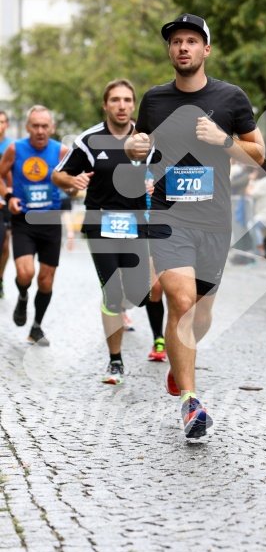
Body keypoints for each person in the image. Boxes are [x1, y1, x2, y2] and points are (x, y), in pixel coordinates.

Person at [124, 13, 265, 438]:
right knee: (180, 302)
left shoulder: (231, 98)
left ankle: (180, 362)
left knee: (200, 316)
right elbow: (139, 145)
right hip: (169, 218)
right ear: (170, 51)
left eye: (191, 41)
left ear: (206, 49)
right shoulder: (154, 99)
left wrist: (222, 140)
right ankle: (191, 402)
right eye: (176, 42)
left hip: (215, 222)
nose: (182, 47)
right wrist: (134, 148)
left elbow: (258, 153)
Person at [52, 79, 165, 384]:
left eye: (127, 100)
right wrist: (71, 182)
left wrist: (155, 184)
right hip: (100, 223)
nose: (121, 105)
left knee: (143, 293)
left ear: (133, 105)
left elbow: (164, 173)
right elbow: (57, 174)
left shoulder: (147, 141)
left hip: (137, 224)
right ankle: (115, 361)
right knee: (113, 293)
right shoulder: (89, 141)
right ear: (105, 105)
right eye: (115, 100)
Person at [0, 105, 68, 345]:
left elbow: (74, 179)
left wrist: (72, 185)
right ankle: (21, 295)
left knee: (46, 280)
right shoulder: (15, 149)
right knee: (26, 273)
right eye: (35, 126)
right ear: (28, 127)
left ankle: (37, 326)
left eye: (44, 126)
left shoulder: (61, 151)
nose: (40, 131)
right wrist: (9, 197)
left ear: (52, 127)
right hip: (24, 220)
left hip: (50, 221)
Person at [0, 110, 14, 298]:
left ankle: (0, 278)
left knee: (4, 244)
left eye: (2, 121)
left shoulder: (12, 146)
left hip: (7, 201)